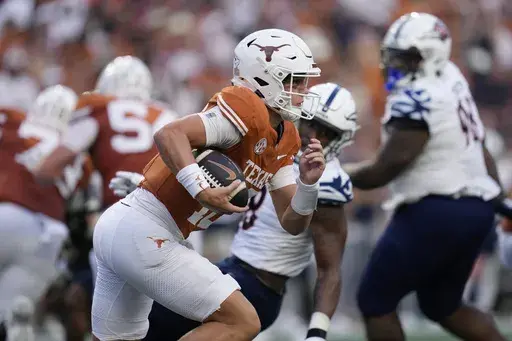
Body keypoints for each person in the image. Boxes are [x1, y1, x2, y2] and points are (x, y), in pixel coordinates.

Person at [88, 28, 326, 341]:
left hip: (131, 229)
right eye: (292, 81)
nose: (301, 91)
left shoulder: (287, 137)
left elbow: (292, 223)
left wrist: (308, 186)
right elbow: (169, 134)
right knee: (240, 321)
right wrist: (200, 188)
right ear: (262, 78)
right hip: (146, 230)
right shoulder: (246, 107)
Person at [110, 82, 358, 341]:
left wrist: (317, 333)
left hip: (259, 286)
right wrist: (151, 189)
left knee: (154, 322)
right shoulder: (276, 151)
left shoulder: (327, 182)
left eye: (327, 132)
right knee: (151, 319)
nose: (314, 135)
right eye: (311, 123)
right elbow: (220, 183)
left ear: (342, 138)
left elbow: (330, 270)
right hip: (233, 268)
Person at [346, 12, 507, 341]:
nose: (396, 65)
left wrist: (336, 175)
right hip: (476, 208)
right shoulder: (451, 77)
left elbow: (387, 167)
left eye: (405, 58)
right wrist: (498, 200)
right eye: (394, 56)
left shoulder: (419, 97)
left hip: (436, 210)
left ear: (430, 56)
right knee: (441, 305)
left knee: (375, 300)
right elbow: (477, 145)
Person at [32, 55, 178, 341]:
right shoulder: (167, 114)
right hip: (173, 229)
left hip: (120, 226)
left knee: (108, 325)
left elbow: (47, 169)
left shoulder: (99, 109)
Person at [0, 85, 79, 341]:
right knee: (11, 313)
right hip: (50, 235)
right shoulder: (80, 152)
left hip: (7, 213)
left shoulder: (13, 121)